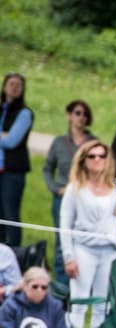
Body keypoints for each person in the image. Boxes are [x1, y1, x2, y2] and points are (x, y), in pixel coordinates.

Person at [59, 140, 116, 328]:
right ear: (83, 160)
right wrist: (69, 257)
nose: (97, 160)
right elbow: (64, 224)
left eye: (102, 156)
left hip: (110, 250)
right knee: (79, 300)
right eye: (92, 156)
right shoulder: (75, 188)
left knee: (102, 303)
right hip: (83, 249)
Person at [42, 99, 96, 279]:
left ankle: (83, 278)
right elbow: (48, 168)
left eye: (84, 114)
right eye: (77, 113)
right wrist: (56, 189)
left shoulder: (93, 143)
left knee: (84, 240)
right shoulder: (59, 142)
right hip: (63, 196)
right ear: (69, 115)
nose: (81, 117)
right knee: (62, 240)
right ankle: (61, 283)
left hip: (85, 198)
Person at [0, 72, 34, 248]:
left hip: (12, 171)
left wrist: (6, 136)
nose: (14, 88)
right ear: (4, 86)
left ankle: (13, 252)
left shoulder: (24, 113)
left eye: (18, 85)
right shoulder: (2, 109)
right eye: (11, 84)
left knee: (10, 213)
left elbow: (12, 140)